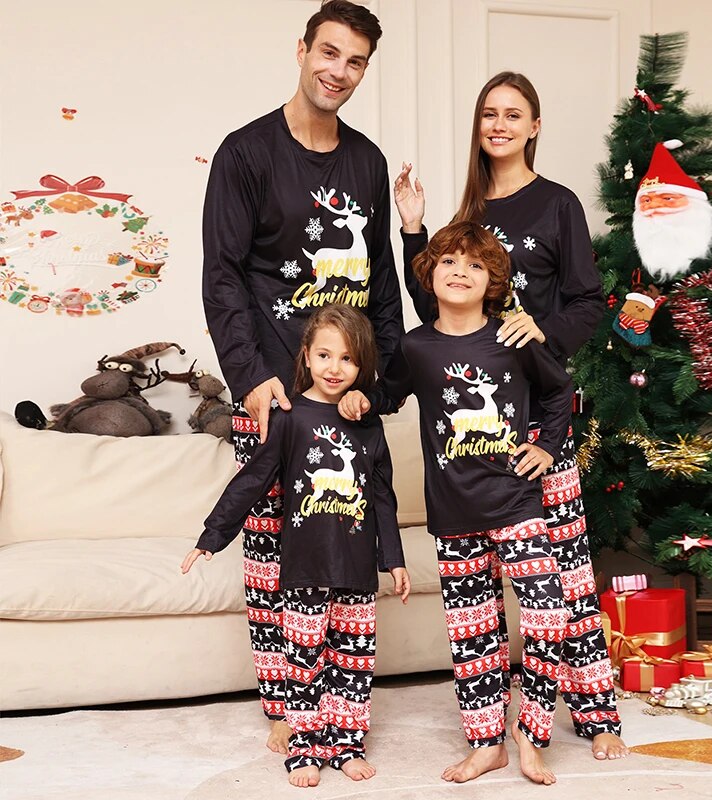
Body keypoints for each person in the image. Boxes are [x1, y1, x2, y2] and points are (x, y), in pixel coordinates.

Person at [393, 71, 627, 760]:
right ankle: (490, 730)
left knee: (566, 583)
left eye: (513, 114)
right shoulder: (468, 213)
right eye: (489, 113)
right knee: (483, 598)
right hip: (477, 437)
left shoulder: (557, 205)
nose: (499, 124)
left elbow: (588, 302)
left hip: (537, 419)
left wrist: (538, 337)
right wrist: (413, 231)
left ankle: (597, 715)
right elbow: (436, 317)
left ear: (534, 126)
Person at [201, 0, 403, 753]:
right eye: (329, 53)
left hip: (347, 400)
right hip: (274, 393)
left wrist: (376, 391)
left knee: (343, 559)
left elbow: (382, 288)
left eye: (354, 61)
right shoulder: (245, 153)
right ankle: (287, 713)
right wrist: (250, 377)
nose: (338, 71)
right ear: (302, 50)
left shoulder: (369, 162)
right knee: (270, 564)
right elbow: (221, 276)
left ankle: (341, 712)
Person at [340, 222, 574, 785]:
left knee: (548, 622)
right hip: (453, 516)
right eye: (449, 262)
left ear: (494, 280)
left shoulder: (515, 336)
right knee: (473, 639)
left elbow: (559, 393)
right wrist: (357, 397)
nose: (461, 272)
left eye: (475, 264)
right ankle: (487, 742)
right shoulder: (416, 347)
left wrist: (545, 445)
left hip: (518, 504)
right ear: (431, 274)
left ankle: (531, 734)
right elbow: (389, 393)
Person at [182, 304, 410, 788]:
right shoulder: (287, 417)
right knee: (302, 661)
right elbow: (252, 482)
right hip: (303, 567)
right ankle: (304, 747)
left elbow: (383, 497)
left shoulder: (369, 425)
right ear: (305, 356)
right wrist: (212, 536)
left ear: (363, 369)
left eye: (347, 360)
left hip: (356, 569)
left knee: (354, 663)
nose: (334, 368)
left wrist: (393, 559)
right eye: (325, 355)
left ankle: (346, 744)